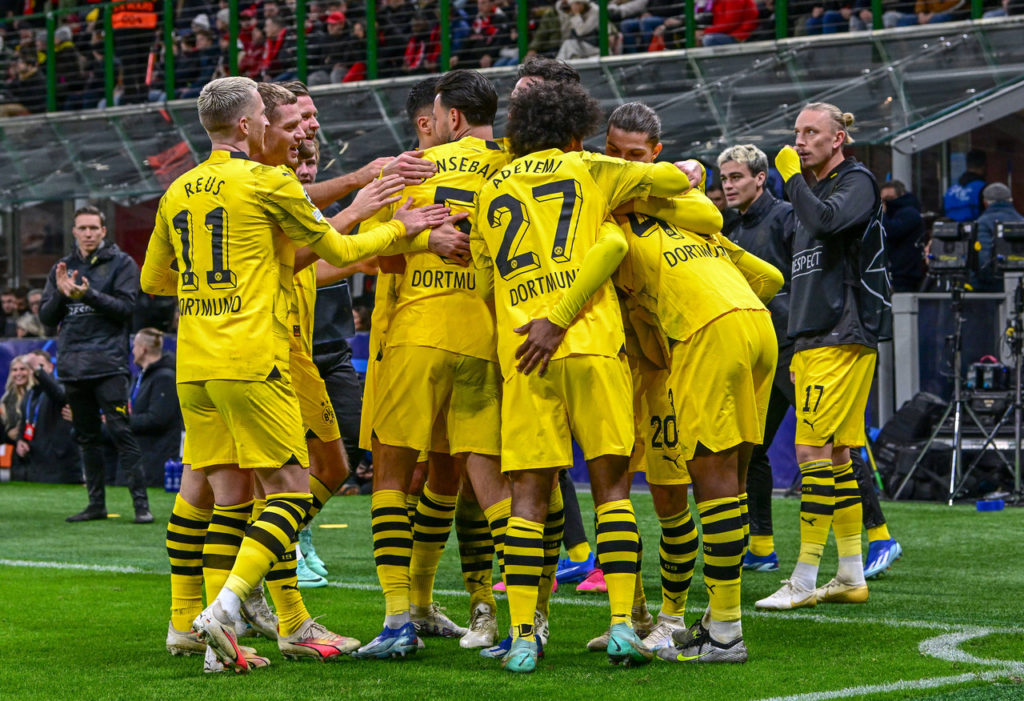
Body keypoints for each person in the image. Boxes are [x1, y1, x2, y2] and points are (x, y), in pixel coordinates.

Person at [141, 75, 442, 674]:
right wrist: (398, 227)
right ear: (251, 126)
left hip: (195, 361)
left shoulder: (178, 190)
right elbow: (341, 250)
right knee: (289, 487)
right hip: (253, 356)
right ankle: (229, 610)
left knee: (221, 488)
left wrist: (220, 285)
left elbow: (154, 282)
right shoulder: (267, 181)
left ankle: (189, 623)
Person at [472, 81, 694, 673]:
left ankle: (522, 636)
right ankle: (623, 625)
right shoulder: (590, 167)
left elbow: (486, 278)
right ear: (575, 130)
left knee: (526, 501)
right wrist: (682, 171)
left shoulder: (491, 188)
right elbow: (675, 183)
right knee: (613, 491)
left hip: (523, 354)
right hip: (592, 345)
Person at [356, 69, 513, 661]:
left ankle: (399, 618)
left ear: (448, 117)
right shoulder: (513, 163)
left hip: (418, 332)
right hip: (486, 333)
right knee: (484, 478)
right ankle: (517, 617)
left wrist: (420, 242)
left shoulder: (412, 169)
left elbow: (378, 259)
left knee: (392, 476)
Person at [757, 103, 883, 611]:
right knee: (835, 455)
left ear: (838, 139)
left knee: (811, 456)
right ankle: (851, 574)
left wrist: (791, 179)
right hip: (813, 338)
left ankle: (804, 579)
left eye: (811, 133)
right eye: (796, 133)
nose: (800, 141)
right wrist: (798, 342)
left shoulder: (856, 181)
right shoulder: (811, 192)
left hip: (843, 333)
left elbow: (827, 223)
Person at [39, 205, 152, 524]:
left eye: (93, 228)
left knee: (120, 432)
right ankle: (96, 504)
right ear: (74, 232)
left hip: (109, 364)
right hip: (73, 365)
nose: (88, 233)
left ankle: (141, 506)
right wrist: (63, 295)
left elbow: (127, 309)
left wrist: (87, 295)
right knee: (86, 436)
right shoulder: (62, 266)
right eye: (82, 228)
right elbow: (47, 317)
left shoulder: (122, 263)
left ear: (104, 231)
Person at [718, 143, 795, 574]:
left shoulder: (785, 216)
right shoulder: (731, 227)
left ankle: (878, 537)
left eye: (736, 178)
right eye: (724, 178)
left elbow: (804, 276)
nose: (728, 186)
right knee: (753, 449)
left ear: (760, 178)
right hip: (758, 351)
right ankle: (762, 547)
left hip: (792, 347)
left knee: (831, 446)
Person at [15, 350, 81, 484]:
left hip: (60, 466)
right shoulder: (29, 395)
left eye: (40, 366)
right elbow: (25, 425)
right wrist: (21, 441)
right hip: (36, 464)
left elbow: (59, 395)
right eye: (32, 367)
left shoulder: (61, 388)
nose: (36, 371)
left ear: (51, 367)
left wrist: (39, 371)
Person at [129, 328, 182, 487]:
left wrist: (123, 421)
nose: (132, 350)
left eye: (134, 346)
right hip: (142, 454)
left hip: (156, 459)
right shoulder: (141, 376)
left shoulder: (165, 378)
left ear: (143, 349)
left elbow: (157, 419)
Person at [974, 182, 1024, 293]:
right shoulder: (1021, 221)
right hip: (1020, 286)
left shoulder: (981, 224)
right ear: (1011, 200)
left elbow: (983, 261)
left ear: (985, 203)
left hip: (990, 290)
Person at [880, 180, 925, 293]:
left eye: (889, 199)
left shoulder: (910, 213)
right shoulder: (893, 214)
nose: (886, 203)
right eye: (883, 200)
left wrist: (881, 214)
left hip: (905, 275)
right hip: (893, 273)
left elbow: (891, 231)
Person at [2, 355, 35, 477]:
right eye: (14, 370)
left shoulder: (38, 395)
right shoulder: (6, 399)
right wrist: (8, 434)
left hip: (39, 453)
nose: (18, 373)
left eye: (22, 369)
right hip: (17, 456)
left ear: (30, 371)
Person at [943, 149, 987, 222]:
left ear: (967, 165)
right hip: (974, 232)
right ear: (984, 166)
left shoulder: (950, 191)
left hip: (951, 232)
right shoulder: (983, 189)